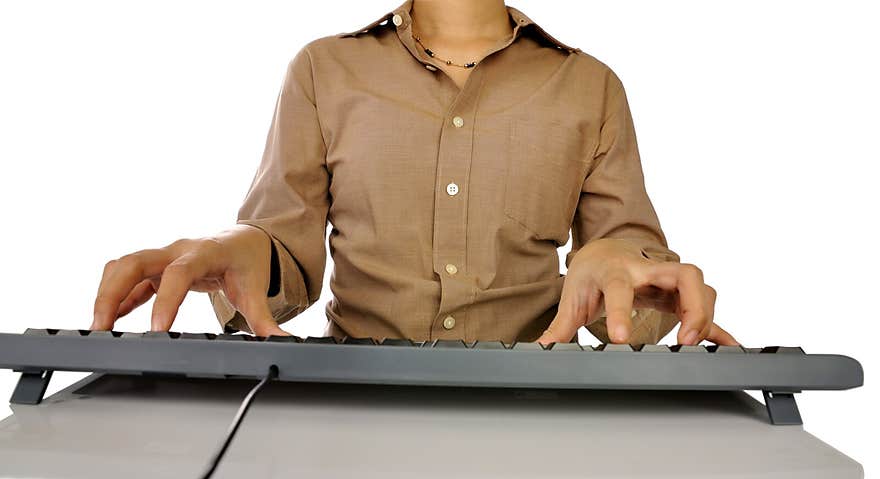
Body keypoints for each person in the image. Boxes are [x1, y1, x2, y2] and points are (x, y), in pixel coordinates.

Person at [90, 0, 737, 347]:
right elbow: (284, 257)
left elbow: (629, 272)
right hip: (344, 424)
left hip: (543, 424)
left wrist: (625, 272)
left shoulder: (590, 87)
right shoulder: (324, 71)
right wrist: (238, 248)